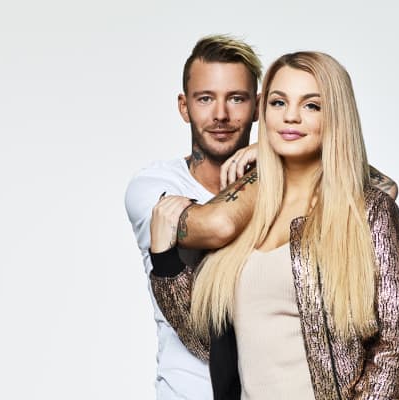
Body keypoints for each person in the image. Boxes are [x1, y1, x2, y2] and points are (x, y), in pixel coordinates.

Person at [149, 52, 399, 399]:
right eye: (278, 102)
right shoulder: (245, 217)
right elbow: (207, 343)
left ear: (336, 117)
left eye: (312, 106)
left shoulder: (366, 211)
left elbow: (396, 349)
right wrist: (165, 261)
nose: (291, 116)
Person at [124, 35, 262, 400]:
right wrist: (281, 166)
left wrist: (278, 151)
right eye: (205, 99)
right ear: (184, 107)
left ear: (259, 107)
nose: (221, 115)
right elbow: (218, 226)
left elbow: (383, 190)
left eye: (236, 98)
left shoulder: (279, 176)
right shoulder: (153, 185)